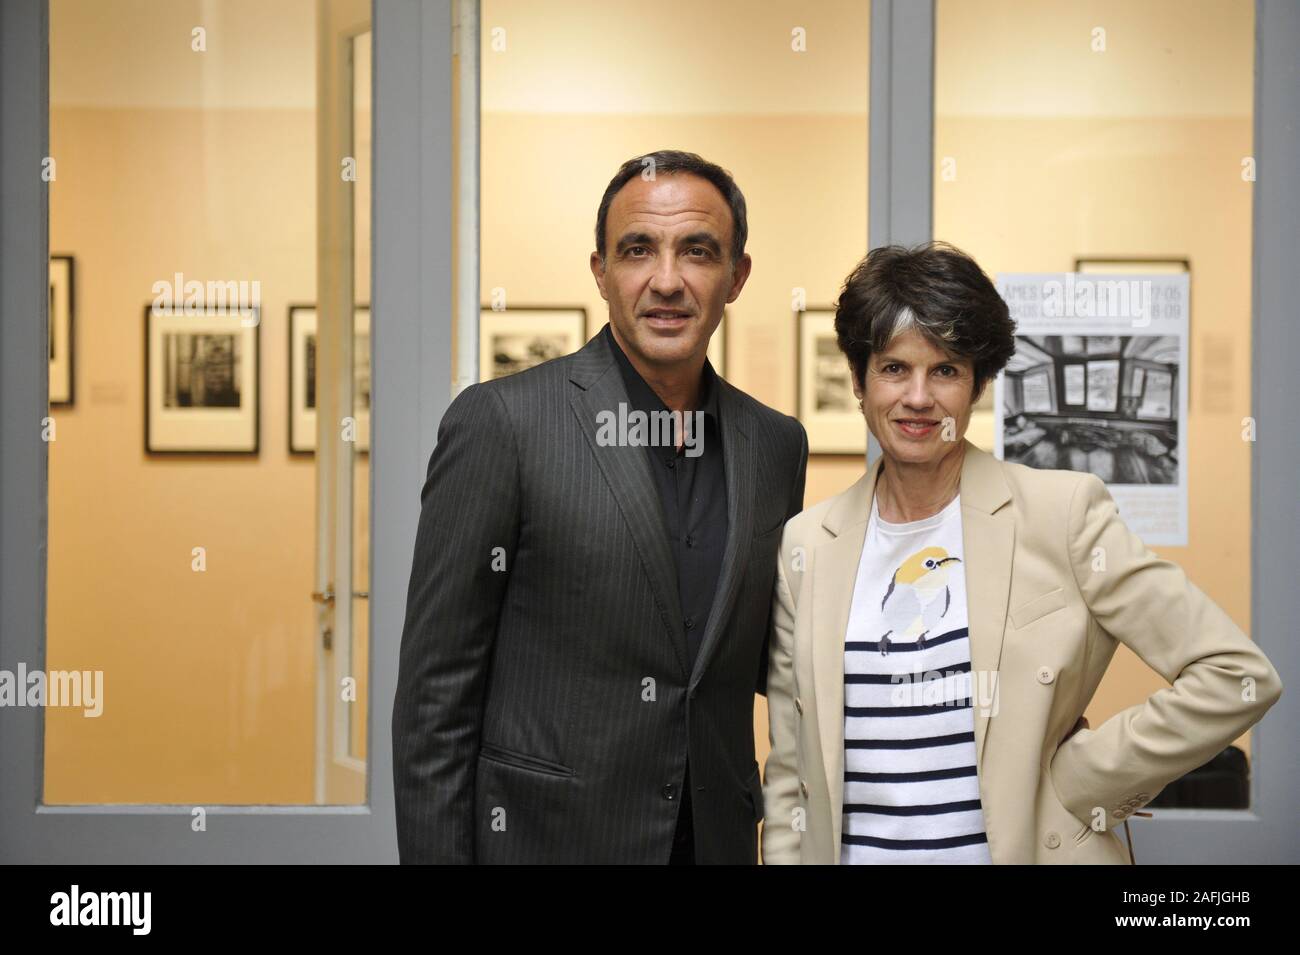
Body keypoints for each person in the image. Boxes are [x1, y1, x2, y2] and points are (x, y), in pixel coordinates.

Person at [761, 241, 1282, 864]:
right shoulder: (808, 546)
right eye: (895, 368)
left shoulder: (1062, 516)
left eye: (947, 369)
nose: (919, 397)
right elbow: (792, 771)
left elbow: (1236, 677)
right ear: (858, 379)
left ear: (979, 382)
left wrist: (1083, 781)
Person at [393, 150, 808, 864]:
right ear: (601, 271)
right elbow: (436, 700)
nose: (667, 280)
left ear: (736, 276)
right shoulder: (504, 424)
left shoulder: (775, 446)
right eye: (638, 250)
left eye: (698, 252)